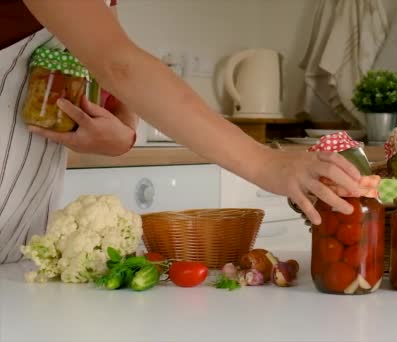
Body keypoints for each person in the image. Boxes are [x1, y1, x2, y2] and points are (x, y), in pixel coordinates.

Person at [0, 0, 361, 263]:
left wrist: (124, 130)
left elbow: (108, 62)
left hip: (26, 196)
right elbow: (118, 64)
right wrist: (266, 163)